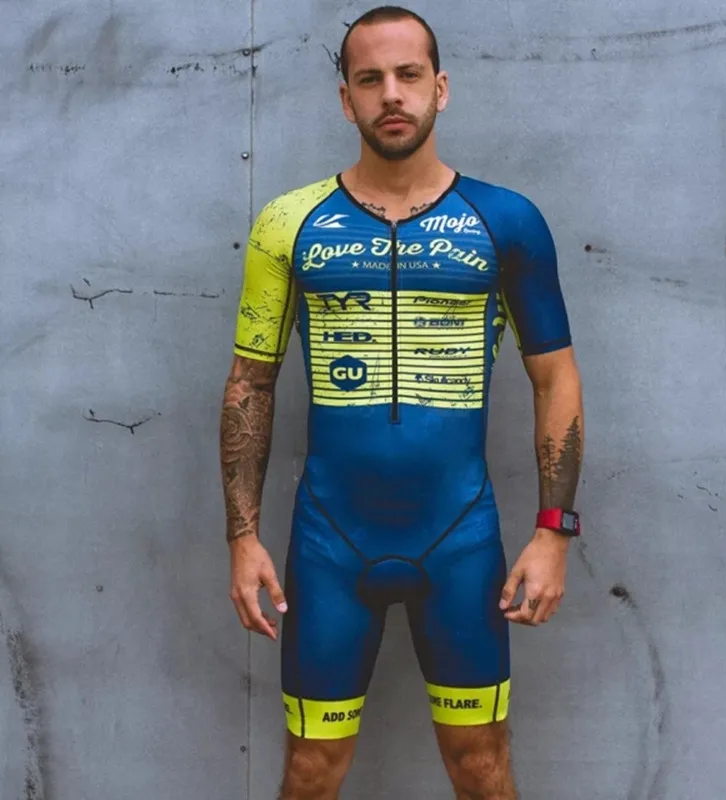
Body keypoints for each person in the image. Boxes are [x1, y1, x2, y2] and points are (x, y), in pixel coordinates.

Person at [219, 6, 585, 798]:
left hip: (460, 538)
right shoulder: (288, 222)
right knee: (310, 770)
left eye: (409, 75)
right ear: (345, 98)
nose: (391, 94)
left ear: (439, 88)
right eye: (370, 78)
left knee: (481, 765)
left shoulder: (507, 221)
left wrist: (553, 532)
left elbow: (556, 378)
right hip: (330, 541)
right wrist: (242, 539)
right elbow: (250, 383)